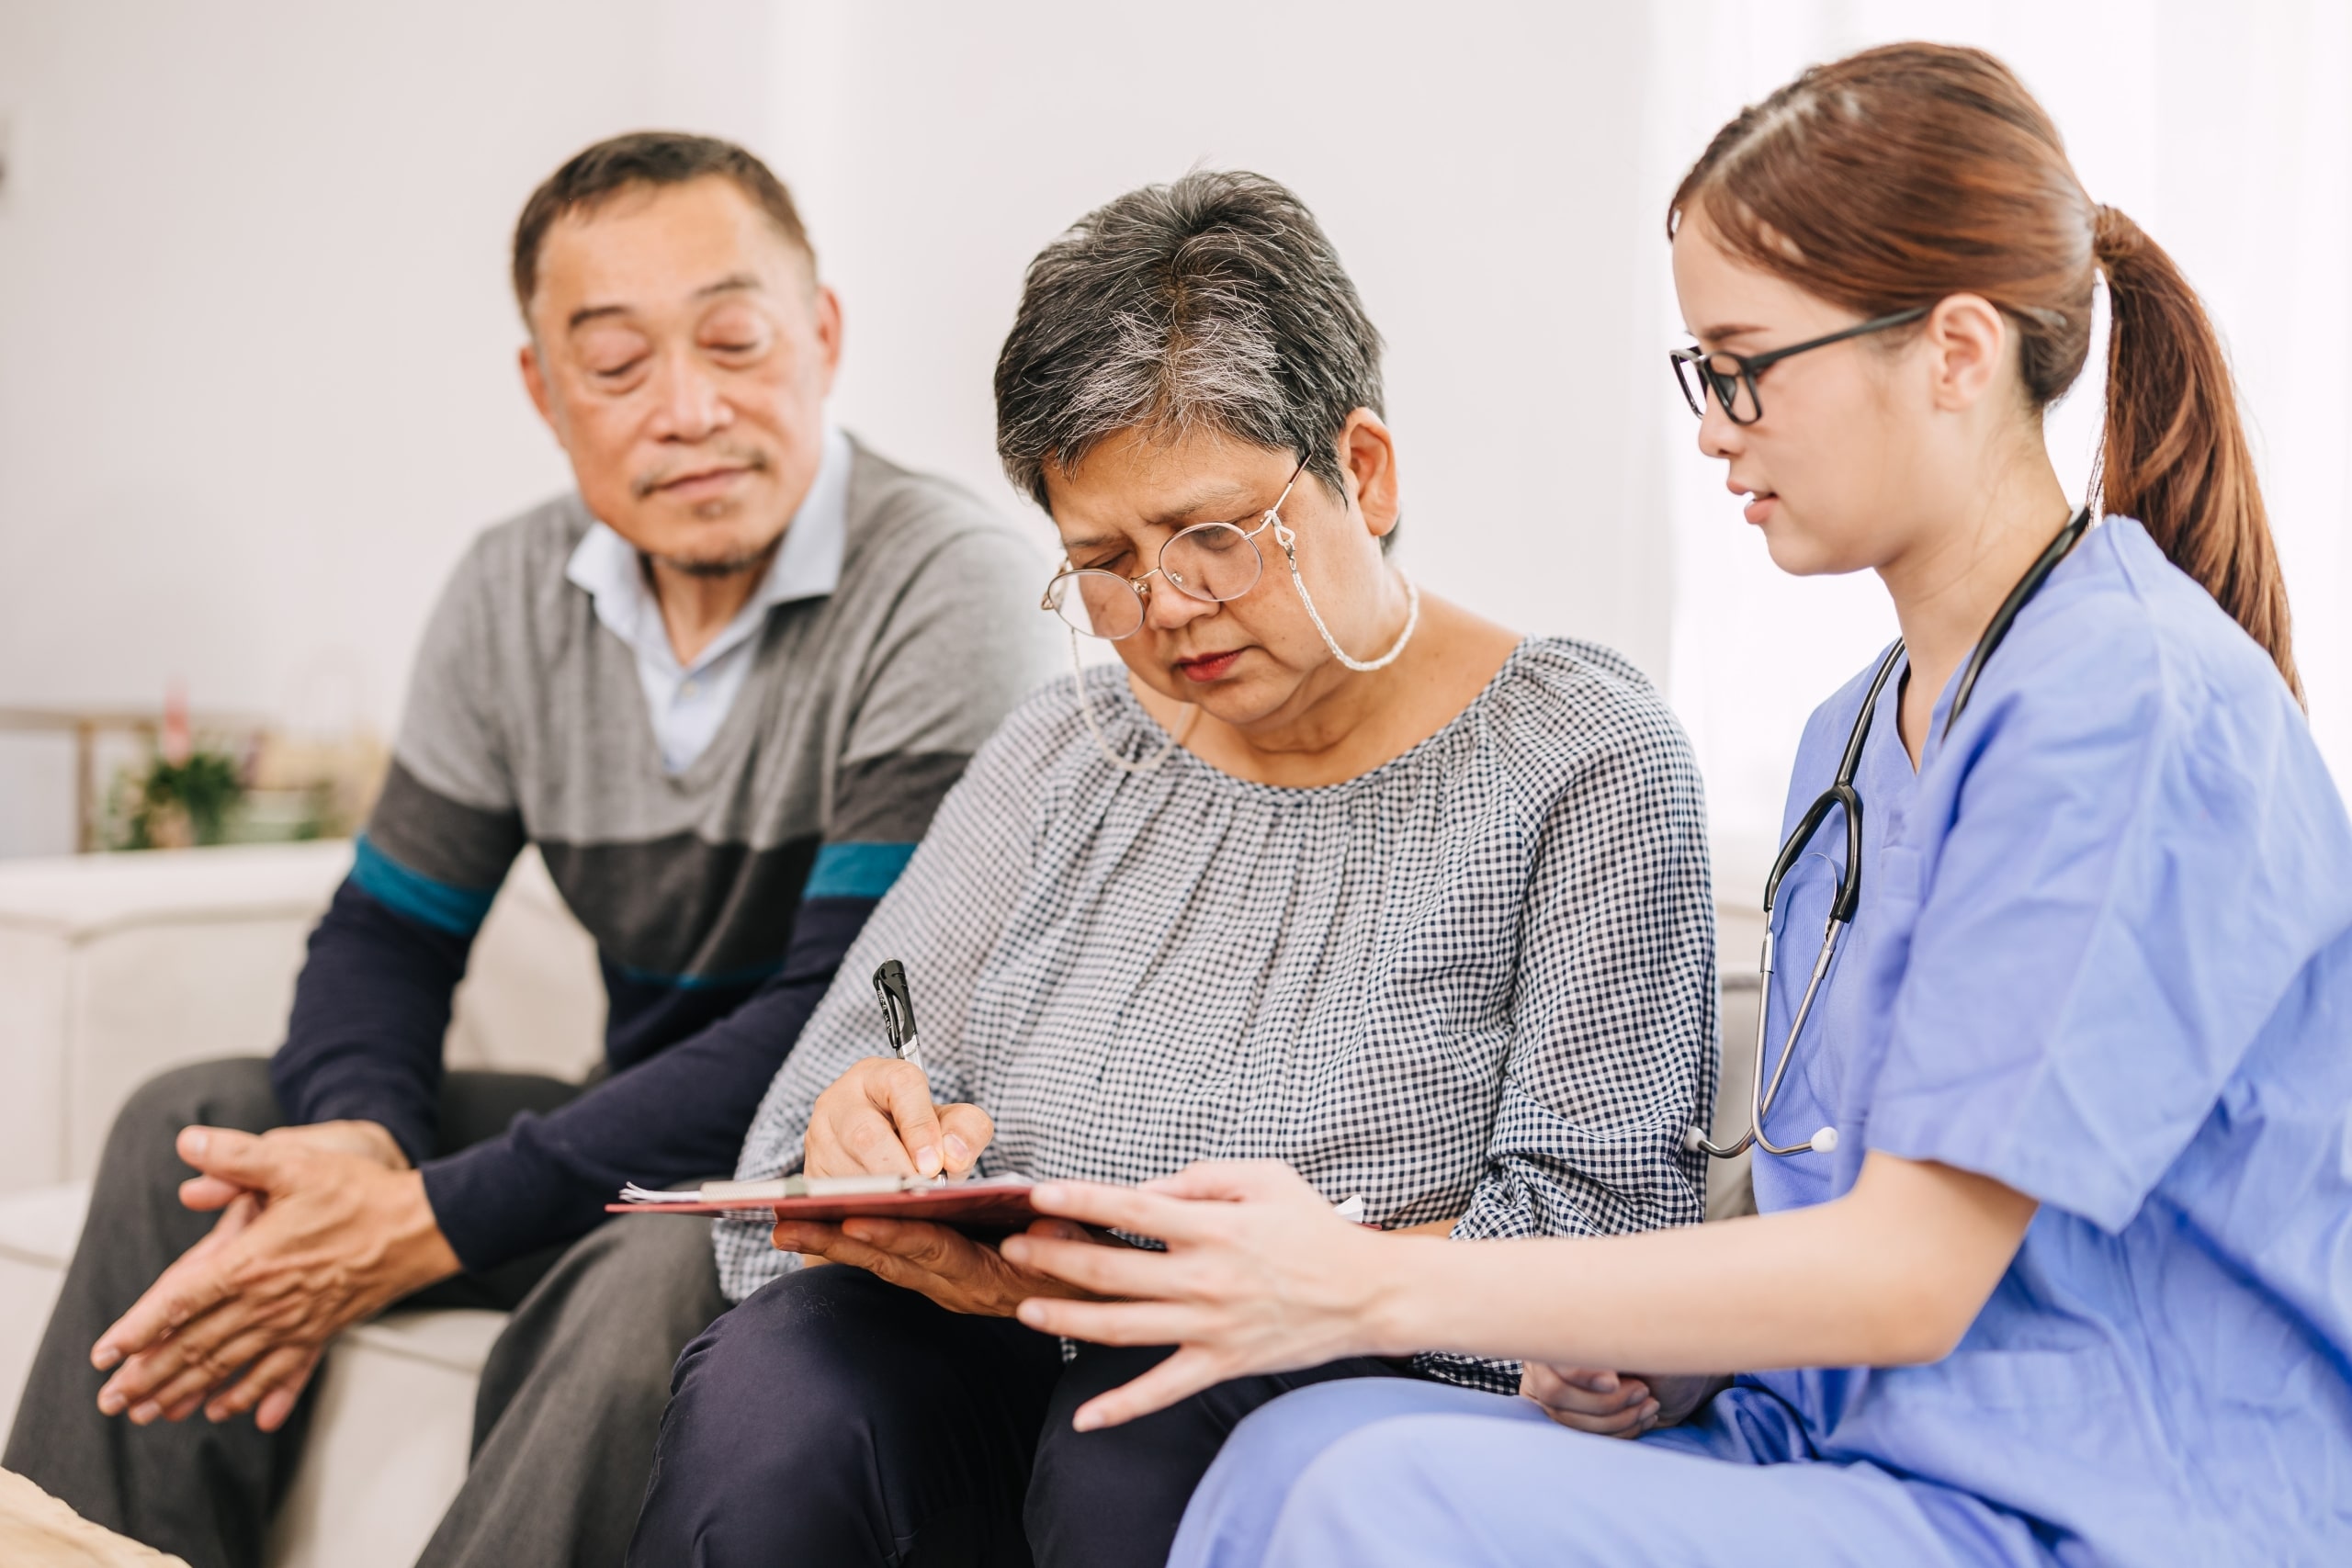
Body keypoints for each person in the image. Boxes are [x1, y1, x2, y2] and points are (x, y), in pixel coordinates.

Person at [1003, 43, 2352, 1567]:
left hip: (2101, 1506)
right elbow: (1829, 1225)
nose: (1713, 425)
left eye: (1747, 365)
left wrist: (1368, 1283)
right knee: (1301, 1439)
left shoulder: (2130, 709)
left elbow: (1913, 1276)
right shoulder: (1859, 734)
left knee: (1370, 1501)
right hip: (1840, 1444)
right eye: (1699, 371)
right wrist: (1673, 1352)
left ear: (1958, 353)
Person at [622, 169, 1718, 1568]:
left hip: (1351, 1390)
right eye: (1103, 564)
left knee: (1141, 1436)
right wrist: (863, 1147)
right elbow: (772, 1191)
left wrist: (1287, 1283)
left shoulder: (1579, 761)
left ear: (1360, 473)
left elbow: (1607, 1241)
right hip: (1009, 1355)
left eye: (1211, 536)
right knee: (782, 1386)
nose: (1165, 610)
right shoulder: (1066, 751)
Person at [5, 132, 1057, 1568]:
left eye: (736, 340)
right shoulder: (512, 589)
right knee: (192, 1131)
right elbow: (390, 928)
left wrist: (425, 1218)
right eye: (618, 365)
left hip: (830, 1177)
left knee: (645, 1271)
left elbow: (817, 1030)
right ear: (544, 393)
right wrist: (356, 1142)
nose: (689, 409)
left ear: (821, 336)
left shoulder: (945, 586)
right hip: (635, 1123)